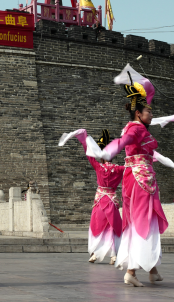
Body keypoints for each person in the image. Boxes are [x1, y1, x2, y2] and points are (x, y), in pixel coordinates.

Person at [77, 64, 174, 287]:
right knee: (143, 222)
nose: (152, 114)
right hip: (140, 181)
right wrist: (110, 150)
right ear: (138, 113)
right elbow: (125, 140)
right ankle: (131, 271)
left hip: (139, 178)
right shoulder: (136, 129)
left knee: (144, 221)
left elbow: (149, 99)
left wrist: (142, 86)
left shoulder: (138, 126)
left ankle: (152, 270)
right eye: (149, 111)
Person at [59, 129, 124, 265]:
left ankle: (95, 253)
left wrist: (84, 141)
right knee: (112, 226)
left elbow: (89, 156)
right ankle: (113, 254)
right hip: (111, 201)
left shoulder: (99, 167)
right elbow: (131, 167)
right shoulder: (119, 169)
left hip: (100, 201)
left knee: (97, 225)